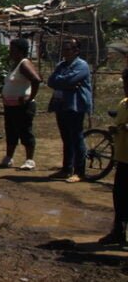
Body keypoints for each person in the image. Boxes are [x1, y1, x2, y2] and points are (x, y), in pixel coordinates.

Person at [46, 38, 93, 183]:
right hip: (61, 105)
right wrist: (64, 83)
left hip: (76, 105)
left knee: (76, 137)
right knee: (66, 137)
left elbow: (69, 80)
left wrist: (64, 82)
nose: (64, 52)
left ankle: (80, 171)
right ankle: (67, 168)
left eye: (68, 49)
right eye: (64, 49)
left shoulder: (82, 65)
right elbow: (51, 81)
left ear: (76, 51)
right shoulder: (61, 65)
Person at [0, 38, 42, 170]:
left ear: (19, 51)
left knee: (25, 131)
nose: (10, 52)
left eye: (12, 49)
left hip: (22, 106)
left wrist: (29, 98)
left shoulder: (24, 64)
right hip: (11, 106)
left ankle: (29, 160)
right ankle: (9, 158)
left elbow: (36, 80)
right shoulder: (15, 64)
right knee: (11, 131)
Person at [98, 68, 128, 247]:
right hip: (123, 158)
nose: (126, 87)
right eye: (125, 83)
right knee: (120, 197)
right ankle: (118, 232)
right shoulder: (124, 103)